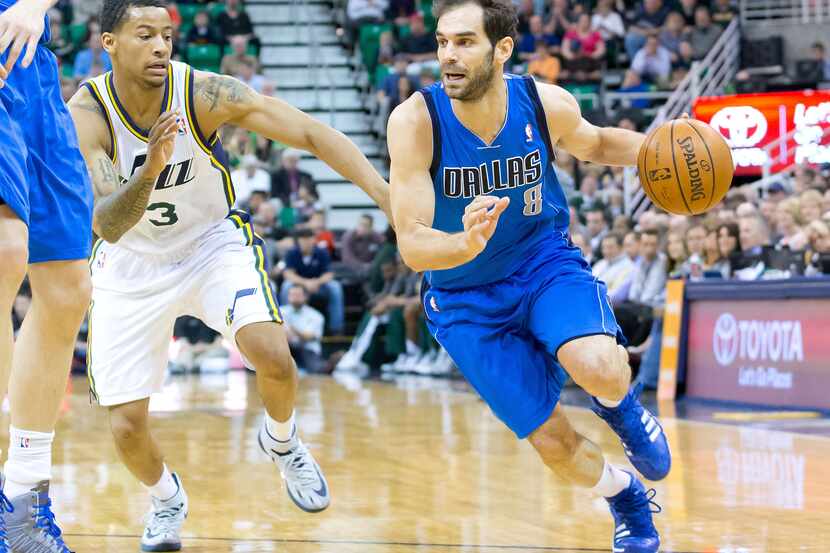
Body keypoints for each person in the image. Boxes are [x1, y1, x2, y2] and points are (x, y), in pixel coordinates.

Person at [67, 1, 391, 550]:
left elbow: (310, 134)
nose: (160, 47)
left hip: (210, 242)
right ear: (110, 43)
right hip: (130, 262)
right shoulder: (87, 112)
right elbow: (108, 223)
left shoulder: (201, 94)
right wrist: (150, 167)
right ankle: (167, 497)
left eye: (166, 36)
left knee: (274, 356)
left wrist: (387, 197)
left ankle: (283, 442)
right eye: (144, 35)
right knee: (125, 426)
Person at [387, 2, 670, 552]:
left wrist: (661, 151)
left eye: (464, 42)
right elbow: (413, 244)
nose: (448, 55)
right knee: (554, 445)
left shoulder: (541, 102)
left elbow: (595, 143)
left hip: (541, 262)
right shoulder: (415, 121)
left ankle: (623, 411)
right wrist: (463, 242)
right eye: (443, 42)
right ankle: (625, 495)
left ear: (502, 49)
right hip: (463, 297)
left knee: (598, 367)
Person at [0, 1, 96, 550]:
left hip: (33, 69)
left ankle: (21, 497)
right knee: (6, 251)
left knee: (67, 290)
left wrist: (35, 6)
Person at [280, 229, 345, 335]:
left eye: (308, 239)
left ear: (313, 240)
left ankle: (336, 328)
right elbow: (288, 274)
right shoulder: (292, 252)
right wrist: (306, 283)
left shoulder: (322, 252)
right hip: (299, 285)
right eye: (303, 240)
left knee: (335, 287)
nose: (305, 243)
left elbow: (329, 274)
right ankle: (284, 324)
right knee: (286, 286)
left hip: (319, 285)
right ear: (299, 241)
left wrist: (317, 282)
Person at [282, 285, 325, 373]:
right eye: (292, 295)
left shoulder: (316, 315)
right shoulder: (280, 311)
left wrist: (291, 329)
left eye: (298, 295)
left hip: (307, 350)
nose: (295, 298)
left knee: (317, 371)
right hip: (286, 349)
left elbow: (308, 337)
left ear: (306, 297)